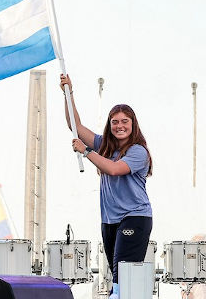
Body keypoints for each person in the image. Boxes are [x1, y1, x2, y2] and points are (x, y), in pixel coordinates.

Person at [60, 74, 153, 299]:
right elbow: (75, 126)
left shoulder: (138, 151)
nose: (119, 126)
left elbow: (114, 169)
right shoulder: (104, 145)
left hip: (135, 218)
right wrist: (68, 92)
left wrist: (86, 151)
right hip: (109, 219)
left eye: (124, 121)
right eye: (115, 122)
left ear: (133, 124)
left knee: (123, 275)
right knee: (118, 275)